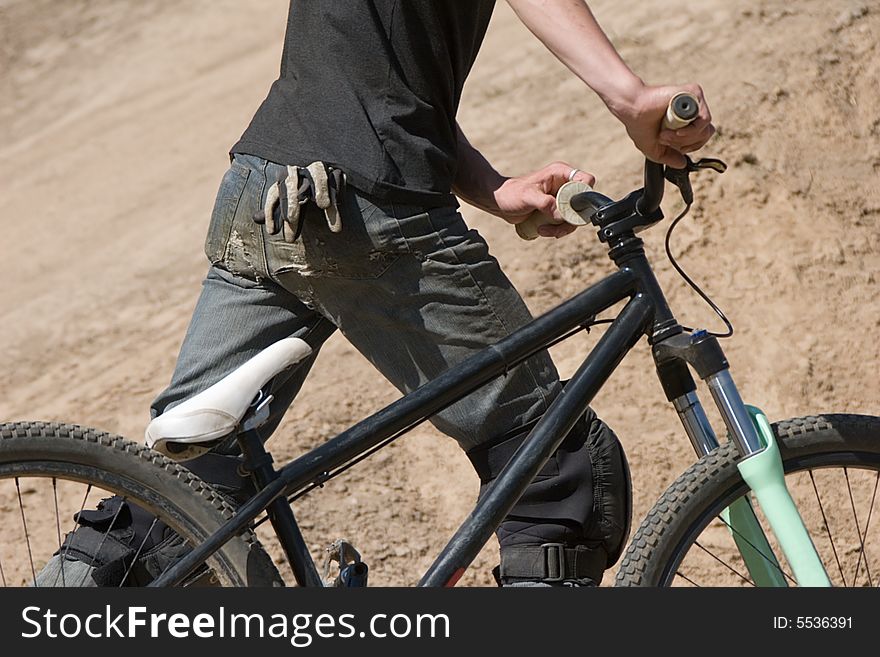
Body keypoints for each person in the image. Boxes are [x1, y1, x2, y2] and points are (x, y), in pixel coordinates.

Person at [38, 0, 714, 587]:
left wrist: (493, 189)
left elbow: (376, 75)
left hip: (263, 190)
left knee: (176, 496)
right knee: (556, 472)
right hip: (361, 207)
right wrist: (628, 96)